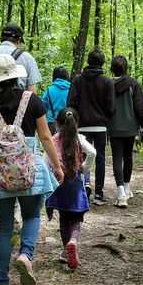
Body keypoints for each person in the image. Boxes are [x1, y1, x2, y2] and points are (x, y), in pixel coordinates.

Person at [0, 53, 64, 285]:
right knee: (32, 215)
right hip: (30, 169)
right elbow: (46, 137)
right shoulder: (32, 100)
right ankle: (26, 255)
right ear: (16, 75)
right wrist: (57, 167)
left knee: (3, 228)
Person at [46, 107, 96, 269]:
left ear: (57, 124)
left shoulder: (53, 139)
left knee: (63, 218)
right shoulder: (79, 139)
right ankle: (73, 241)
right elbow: (93, 152)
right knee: (75, 218)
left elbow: (46, 161)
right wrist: (84, 167)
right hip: (75, 183)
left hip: (58, 184)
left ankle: (65, 249)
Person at [68, 48, 115, 204]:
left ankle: (82, 187)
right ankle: (99, 194)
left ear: (88, 61)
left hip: (81, 127)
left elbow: (71, 103)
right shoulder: (107, 82)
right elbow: (111, 107)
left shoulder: (77, 80)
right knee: (100, 158)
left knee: (80, 157)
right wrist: (105, 119)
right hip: (101, 127)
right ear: (102, 63)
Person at [107, 55, 143, 207]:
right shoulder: (133, 84)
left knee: (117, 158)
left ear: (112, 69)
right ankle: (126, 187)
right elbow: (140, 109)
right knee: (128, 157)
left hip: (113, 128)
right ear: (126, 68)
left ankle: (121, 193)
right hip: (130, 128)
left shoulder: (108, 85)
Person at [41, 66, 71, 133]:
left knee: (52, 142)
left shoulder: (49, 90)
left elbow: (43, 107)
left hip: (52, 123)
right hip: (68, 121)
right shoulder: (71, 89)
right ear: (66, 76)